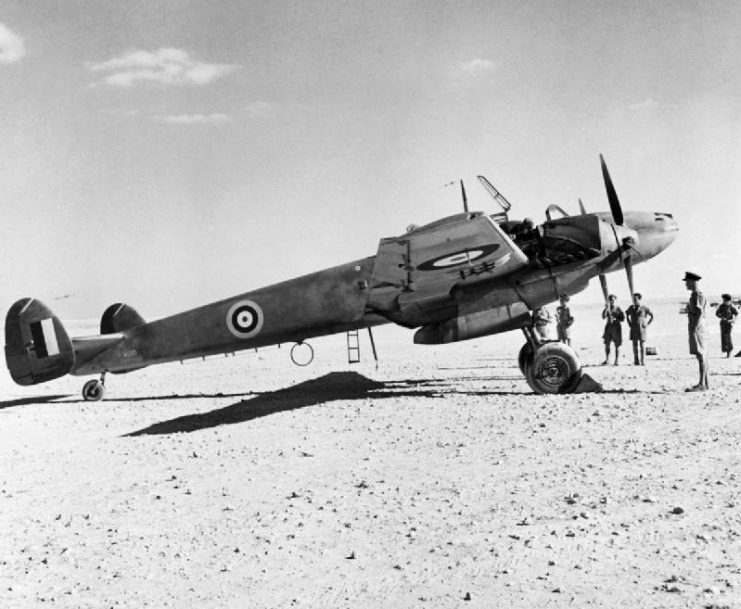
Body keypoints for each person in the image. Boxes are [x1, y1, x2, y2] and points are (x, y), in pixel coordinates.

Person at [684, 271, 708, 391]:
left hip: (697, 328)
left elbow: (699, 312)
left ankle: (702, 384)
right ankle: (705, 383)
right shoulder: (696, 295)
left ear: (692, 282)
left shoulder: (696, 295)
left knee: (700, 355)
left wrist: (694, 327)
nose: (686, 284)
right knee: (701, 354)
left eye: (687, 282)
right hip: (698, 327)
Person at [626, 293, 654, 365]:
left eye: (636, 299)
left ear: (639, 299)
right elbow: (626, 314)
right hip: (634, 328)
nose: (635, 301)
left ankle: (643, 361)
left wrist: (647, 324)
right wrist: (629, 322)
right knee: (635, 345)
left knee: (642, 345)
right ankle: (636, 361)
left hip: (642, 328)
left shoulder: (644, 308)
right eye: (634, 299)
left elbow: (652, 315)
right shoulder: (631, 308)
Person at [601, 294, 625, 365]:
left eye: (613, 300)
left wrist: (616, 319)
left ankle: (616, 360)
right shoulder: (607, 308)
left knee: (617, 345)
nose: (612, 301)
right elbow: (603, 317)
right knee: (607, 344)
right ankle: (607, 359)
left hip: (616, 328)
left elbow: (623, 318)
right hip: (608, 327)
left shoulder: (618, 308)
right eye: (610, 300)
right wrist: (606, 309)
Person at [715, 293, 738, 357]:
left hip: (730, 323)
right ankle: (727, 351)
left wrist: (733, 320)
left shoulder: (732, 306)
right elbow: (717, 313)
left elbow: (737, 314)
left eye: (725, 300)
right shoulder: (721, 306)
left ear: (728, 300)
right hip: (723, 323)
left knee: (728, 336)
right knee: (723, 337)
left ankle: (729, 351)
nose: (723, 301)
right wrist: (721, 317)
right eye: (723, 300)